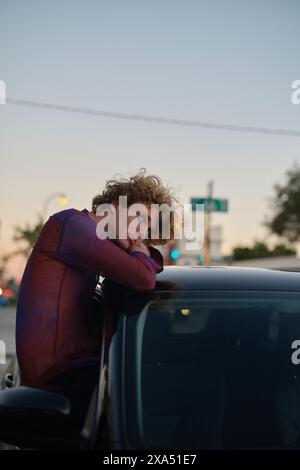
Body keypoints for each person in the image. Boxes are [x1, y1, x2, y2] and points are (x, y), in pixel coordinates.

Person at [15, 171, 176, 422]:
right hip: (56, 378)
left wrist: (137, 250)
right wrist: (136, 250)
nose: (140, 231)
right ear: (113, 207)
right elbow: (142, 277)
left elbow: (146, 269)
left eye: (146, 228)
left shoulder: (89, 237)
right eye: (139, 218)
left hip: (77, 369)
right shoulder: (72, 225)